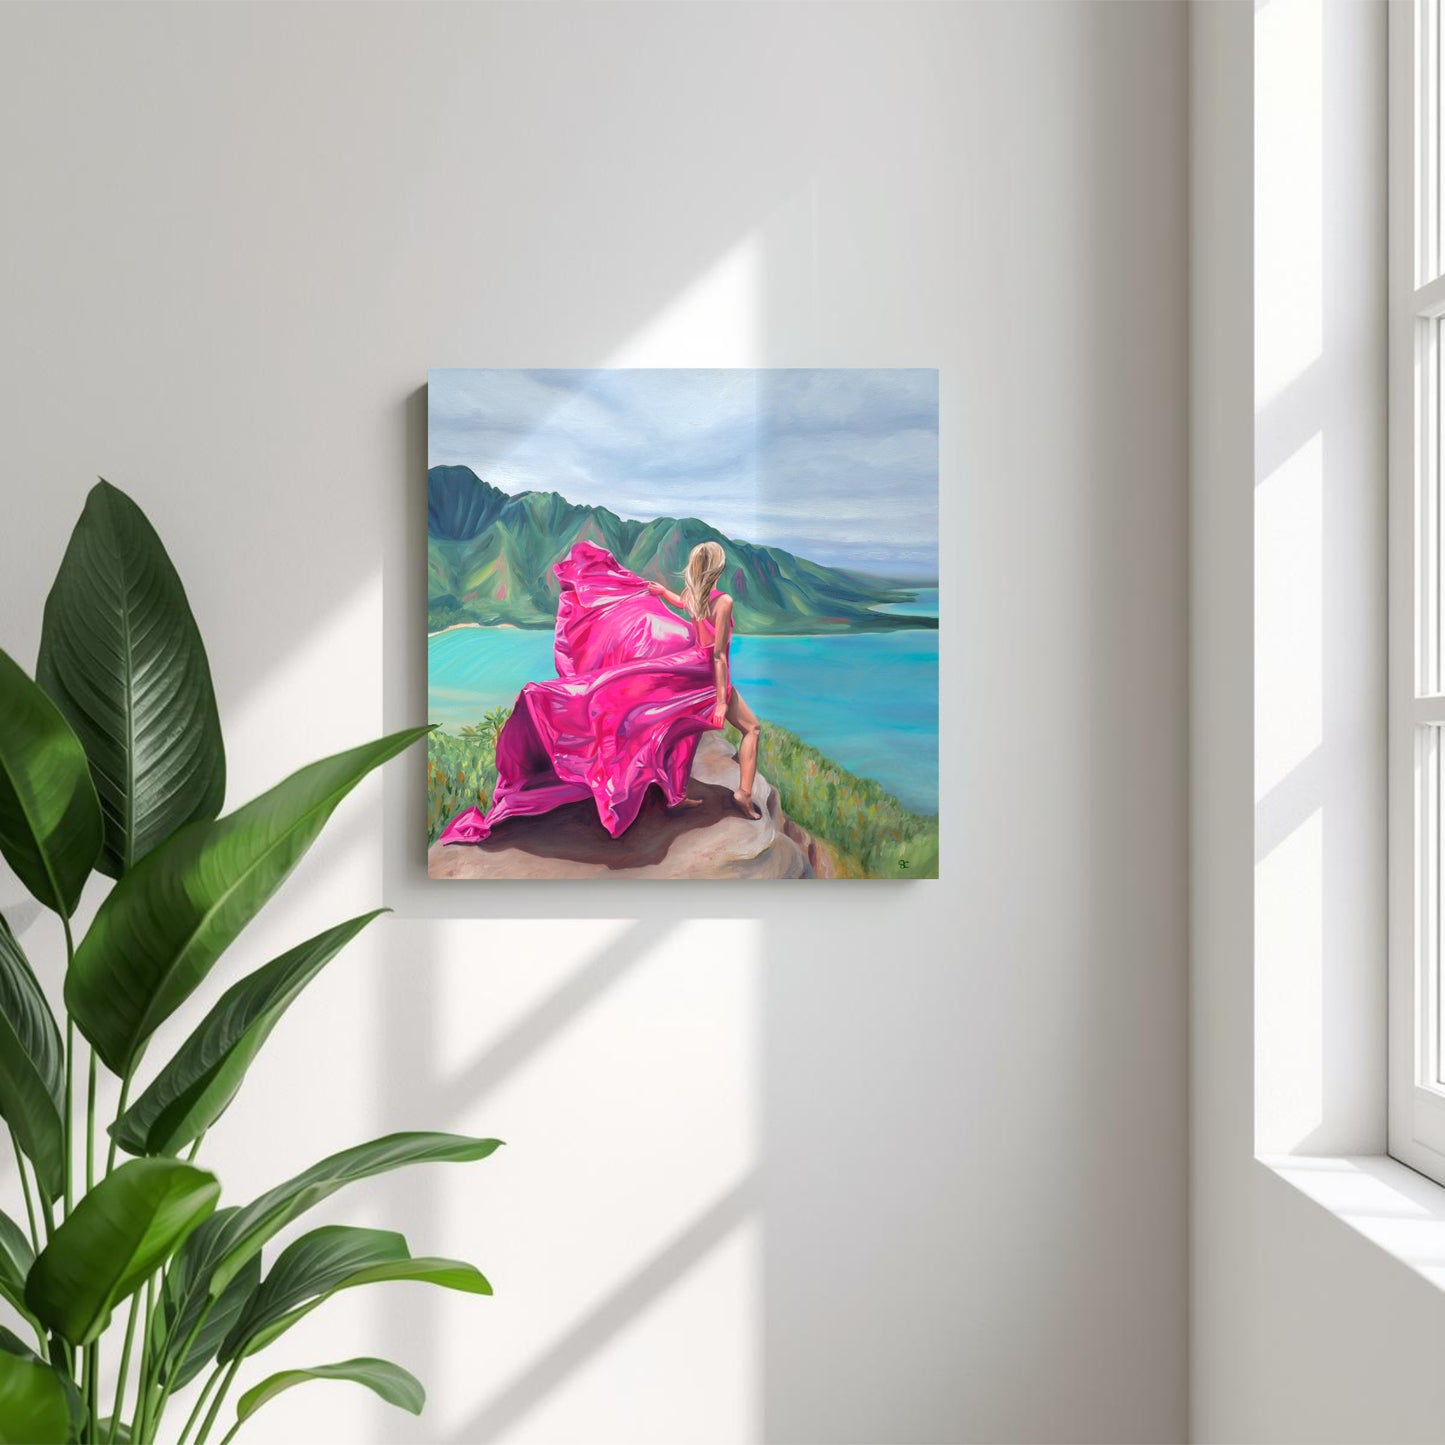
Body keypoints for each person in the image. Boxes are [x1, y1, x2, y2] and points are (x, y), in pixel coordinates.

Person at [438, 538, 763, 847]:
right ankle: (743, 795)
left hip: (689, 666)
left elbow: (684, 605)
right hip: (704, 671)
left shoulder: (695, 596)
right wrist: (721, 699)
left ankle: (676, 794)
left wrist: (662, 591)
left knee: (677, 725)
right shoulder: (723, 602)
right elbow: (718, 654)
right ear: (717, 569)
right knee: (751, 728)